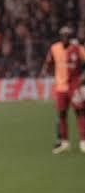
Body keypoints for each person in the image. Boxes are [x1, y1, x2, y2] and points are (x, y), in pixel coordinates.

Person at [40, 26, 85, 154]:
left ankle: (83, 141)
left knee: (80, 112)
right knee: (61, 114)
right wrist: (44, 70)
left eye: (67, 35)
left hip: (74, 86)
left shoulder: (77, 49)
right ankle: (65, 142)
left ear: (70, 37)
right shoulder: (54, 48)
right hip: (60, 87)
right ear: (60, 36)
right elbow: (48, 61)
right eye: (63, 35)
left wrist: (83, 76)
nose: (65, 37)